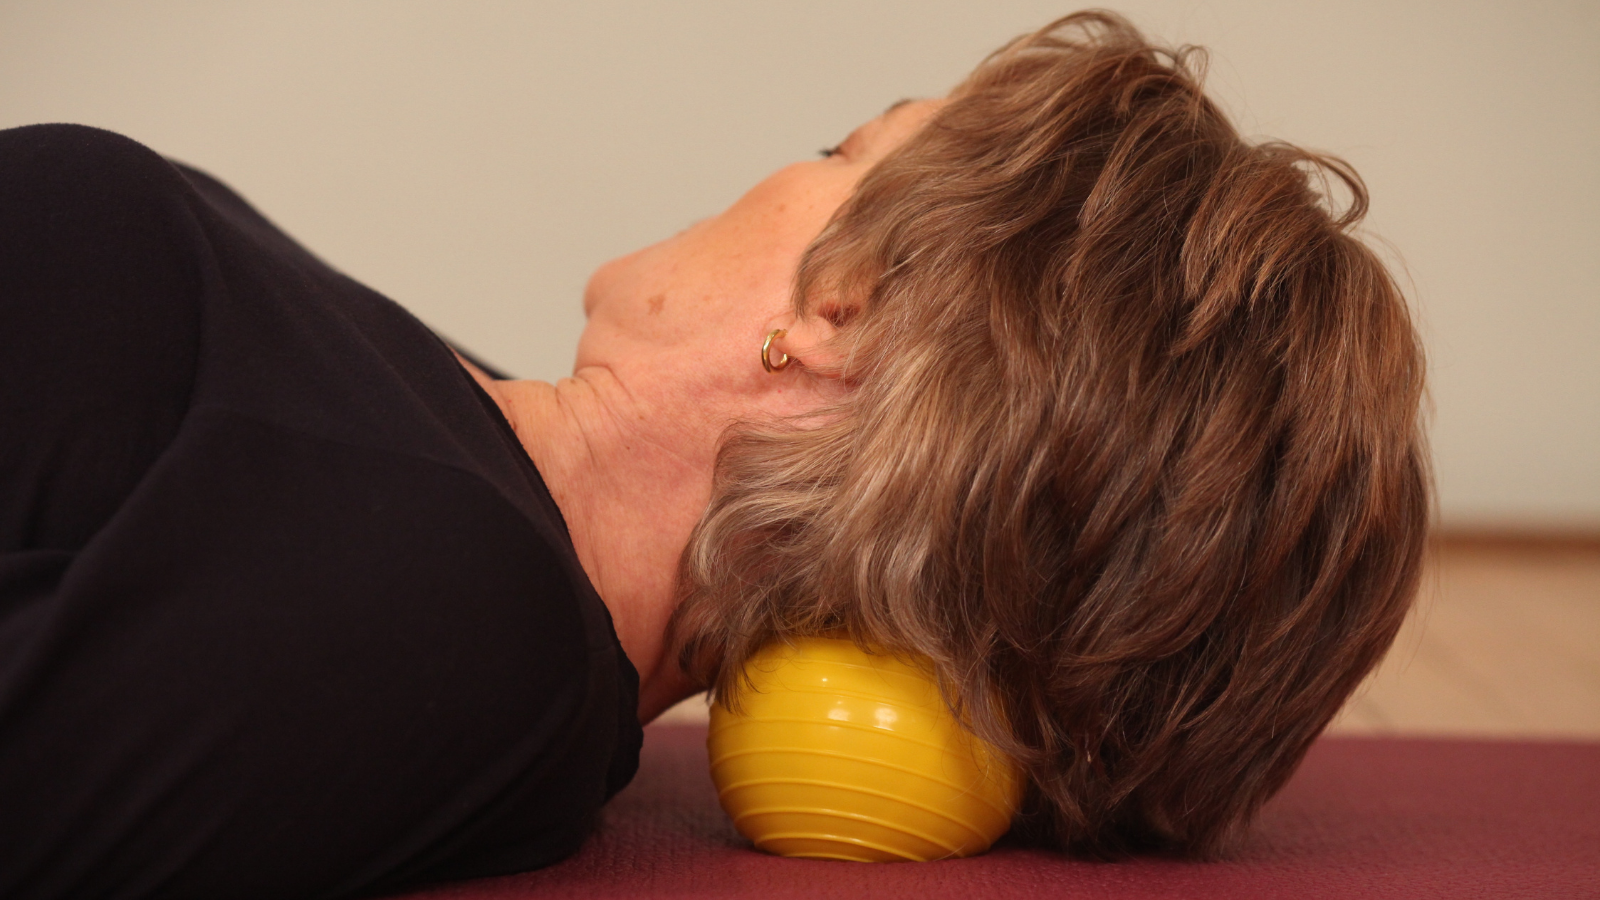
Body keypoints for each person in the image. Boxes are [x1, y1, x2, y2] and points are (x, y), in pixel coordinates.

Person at [0, 10, 1427, 899]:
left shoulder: (445, 603)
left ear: (844, 310)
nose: (779, 170)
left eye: (839, 153)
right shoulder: (460, 482)